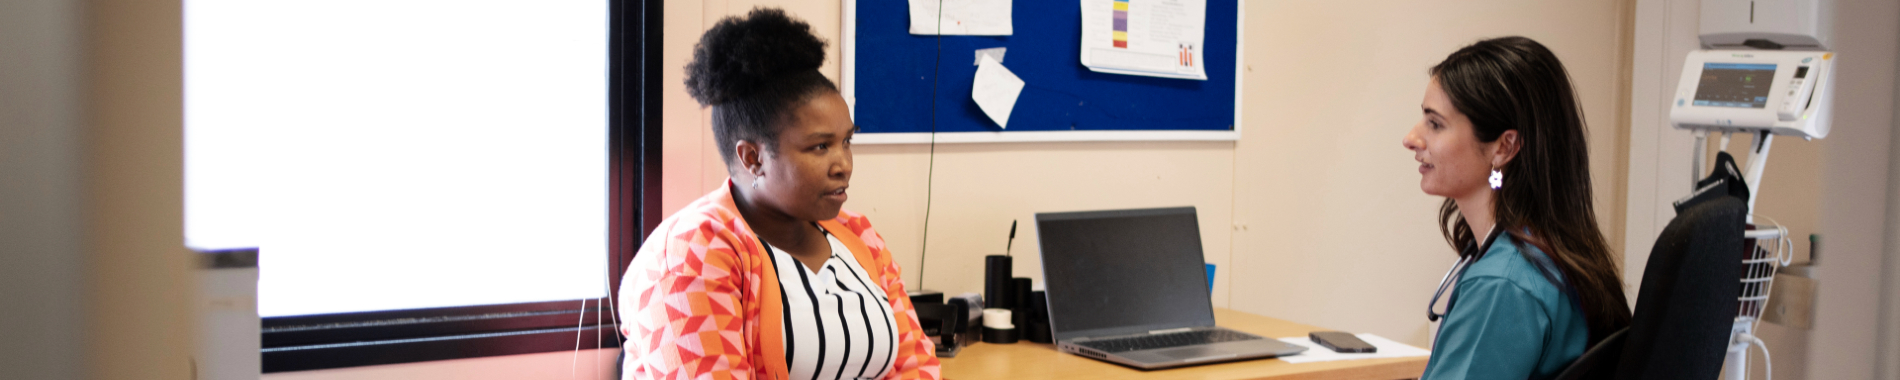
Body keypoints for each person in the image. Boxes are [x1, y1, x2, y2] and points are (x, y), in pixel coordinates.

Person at [618, 8, 940, 380]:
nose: (843, 165)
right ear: (752, 157)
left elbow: (916, 366)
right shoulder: (688, 254)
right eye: (820, 147)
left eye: (846, 141)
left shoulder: (859, 236)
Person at [1401, 36, 1632, 379]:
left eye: (1435, 124)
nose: (1412, 138)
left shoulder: (1503, 285)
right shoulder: (1544, 255)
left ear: (1503, 147)